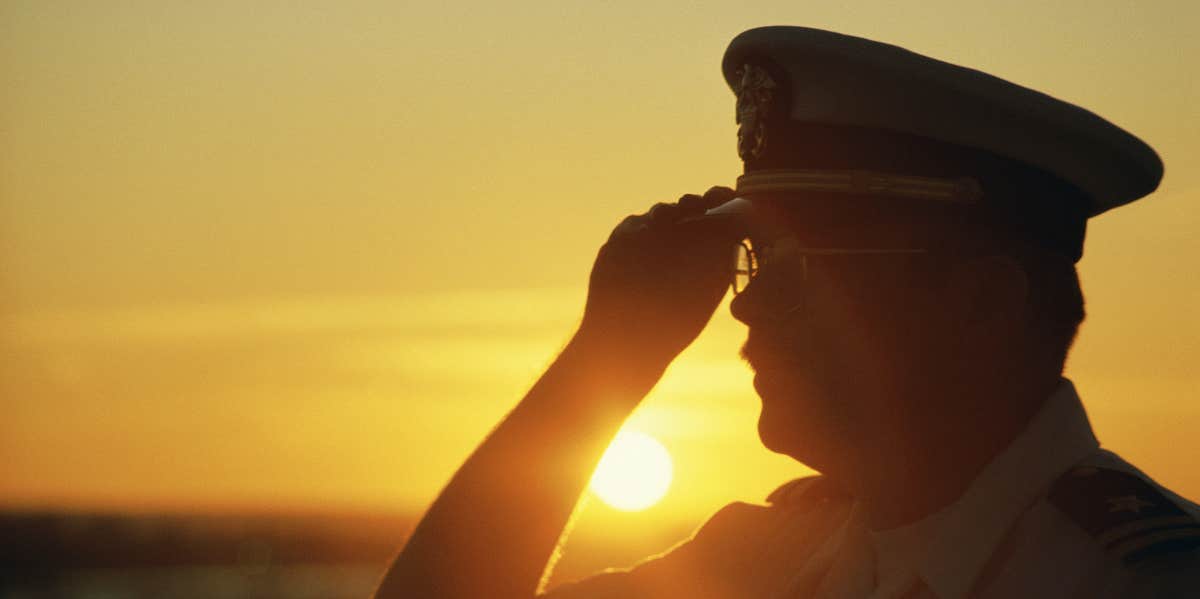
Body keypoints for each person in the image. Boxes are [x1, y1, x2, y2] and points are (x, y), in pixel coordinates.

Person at [375, 26, 1200, 599]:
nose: (752, 306)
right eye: (757, 260)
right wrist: (609, 360)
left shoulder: (1150, 580)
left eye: (805, 266)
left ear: (984, 302)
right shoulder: (769, 559)